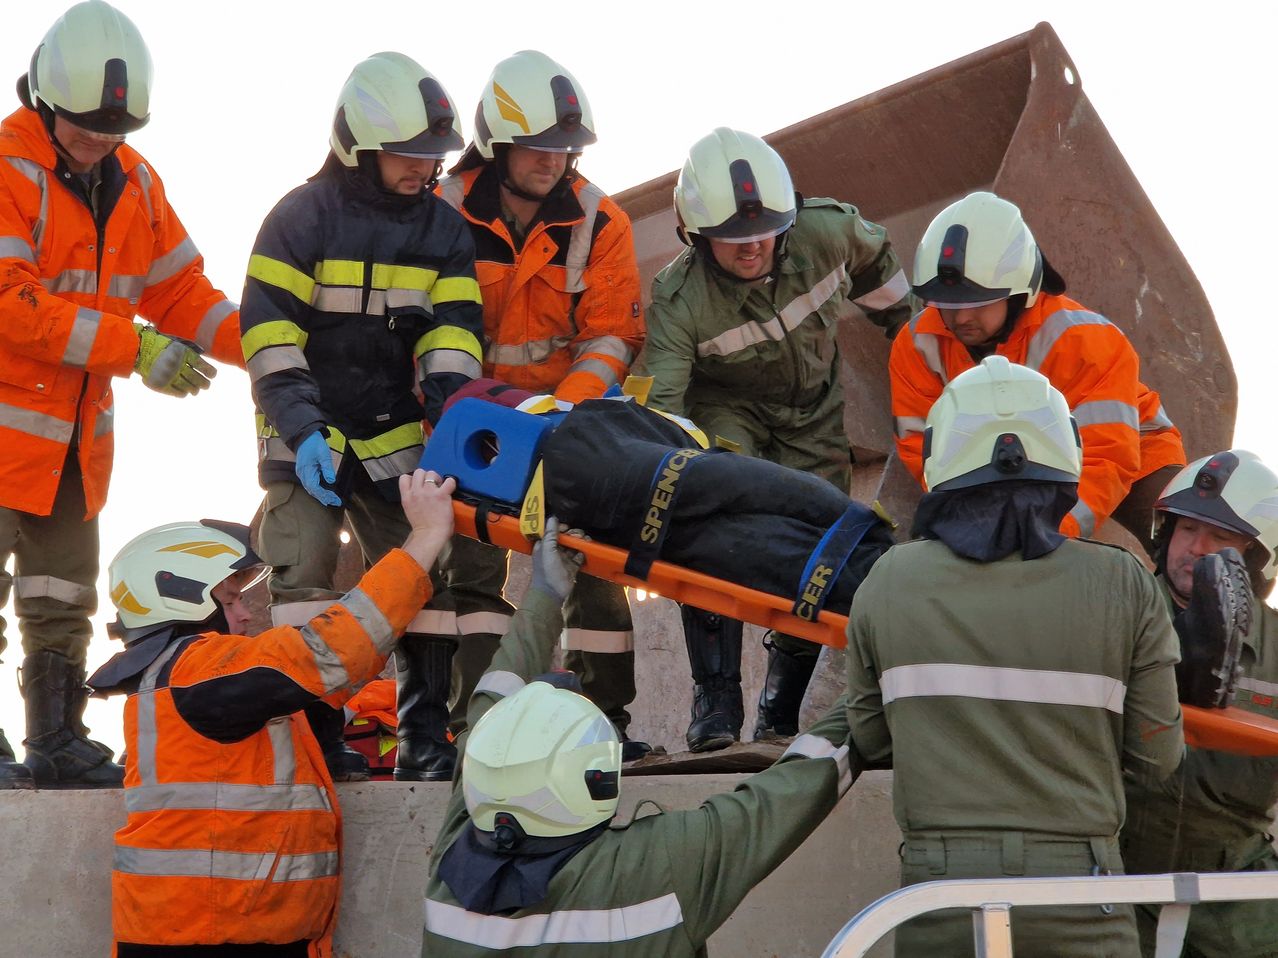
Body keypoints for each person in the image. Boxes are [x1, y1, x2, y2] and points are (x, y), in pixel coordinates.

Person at [846, 355, 1184, 956]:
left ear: (941, 459)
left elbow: (869, 737)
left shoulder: (889, 578)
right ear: (1064, 461)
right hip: (1084, 893)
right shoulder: (1125, 583)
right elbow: (1157, 756)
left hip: (940, 893)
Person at [0, 0, 244, 790]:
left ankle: (58, 742)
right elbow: (10, 298)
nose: (102, 141)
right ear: (45, 102)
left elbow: (183, 295)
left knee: (61, 595)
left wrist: (274, 355)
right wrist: (132, 347)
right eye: (85, 128)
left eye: (116, 129)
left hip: (73, 441)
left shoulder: (136, 183)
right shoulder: (6, 168)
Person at [422, 517, 861, 955]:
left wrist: (544, 594)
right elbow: (796, 787)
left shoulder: (453, 858)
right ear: (600, 779)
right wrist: (885, 662)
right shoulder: (658, 864)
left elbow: (491, 704)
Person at [88, 468, 457, 957]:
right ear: (176, 594)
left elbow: (330, 676)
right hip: (213, 936)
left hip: (207, 927)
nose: (244, 614)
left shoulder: (183, 677)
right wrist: (427, 536)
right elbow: (332, 652)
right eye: (231, 599)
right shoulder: (200, 668)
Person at [240, 52, 483, 783]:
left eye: (431, 156)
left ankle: (423, 737)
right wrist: (303, 427)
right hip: (302, 426)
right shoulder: (298, 218)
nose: (424, 169)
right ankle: (318, 735)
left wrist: (446, 424)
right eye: (409, 156)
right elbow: (268, 333)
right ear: (359, 146)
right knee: (303, 573)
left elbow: (454, 336)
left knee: (423, 572)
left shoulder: (443, 230)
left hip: (393, 428)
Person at [642, 126, 913, 752]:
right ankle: (715, 702)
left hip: (814, 415)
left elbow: (897, 298)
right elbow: (662, 411)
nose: (752, 247)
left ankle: (780, 708)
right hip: (727, 413)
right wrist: (672, 478)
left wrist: (922, 360)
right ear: (697, 235)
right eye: (733, 239)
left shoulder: (832, 233)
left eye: (764, 232)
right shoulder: (678, 301)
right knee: (713, 529)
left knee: (820, 547)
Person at [435, 51, 648, 759]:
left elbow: (612, 335)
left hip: (565, 424)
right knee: (471, 575)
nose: (554, 160)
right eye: (538, 146)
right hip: (471, 427)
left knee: (594, 565)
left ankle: (606, 722)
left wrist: (565, 417)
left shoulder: (599, 220)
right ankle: (476, 724)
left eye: (566, 148)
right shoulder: (444, 211)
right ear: (497, 143)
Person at [891, 190, 1186, 554]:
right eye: (946, 304)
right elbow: (922, 448)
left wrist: (1044, 538)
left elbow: (1106, 458)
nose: (960, 317)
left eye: (978, 303)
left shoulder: (1084, 340)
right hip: (1001, 457)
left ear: (1020, 292)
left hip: (1129, 448)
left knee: (1180, 544)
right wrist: (970, 521)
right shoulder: (916, 344)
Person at [1121, 449, 1278, 958]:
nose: (1195, 548)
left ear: (1258, 557)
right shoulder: (1112, 614)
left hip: (1236, 904)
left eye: (1221, 538)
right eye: (1186, 529)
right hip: (1112, 884)